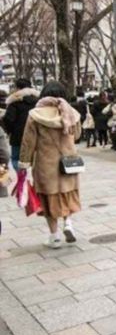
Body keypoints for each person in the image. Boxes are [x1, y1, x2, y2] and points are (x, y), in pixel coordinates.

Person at [18, 81, 82, 248]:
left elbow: (28, 142)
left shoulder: (35, 114)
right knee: (68, 194)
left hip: (45, 164)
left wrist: (24, 163)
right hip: (69, 163)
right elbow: (77, 136)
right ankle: (68, 223)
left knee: (49, 199)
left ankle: (54, 237)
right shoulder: (71, 112)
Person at [1, 78, 39, 170]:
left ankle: (21, 177)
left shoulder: (14, 102)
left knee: (16, 159)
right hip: (36, 135)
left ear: (17, 88)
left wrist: (9, 131)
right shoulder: (38, 101)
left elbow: (9, 119)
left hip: (18, 136)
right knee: (36, 158)